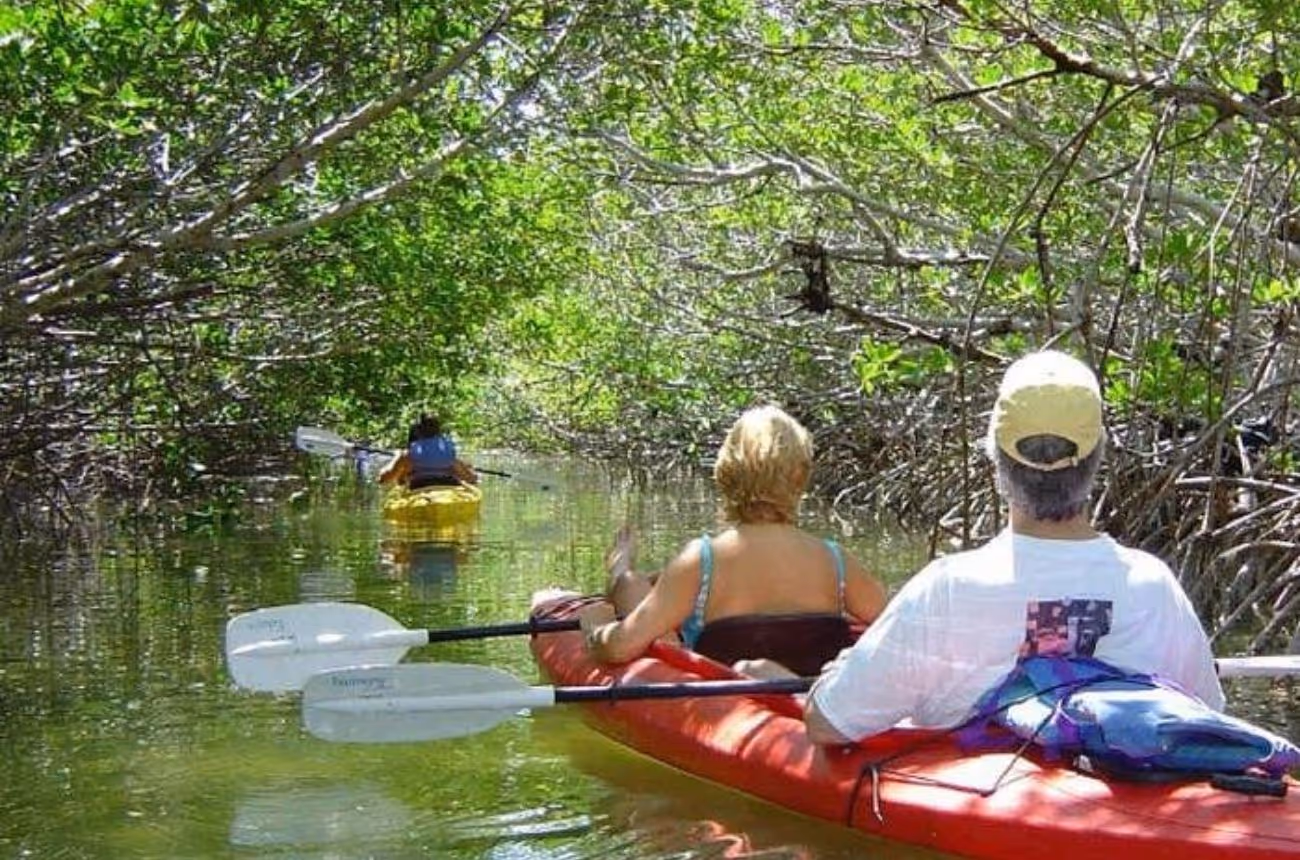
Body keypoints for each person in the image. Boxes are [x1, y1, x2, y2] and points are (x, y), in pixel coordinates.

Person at [804, 350, 1226, 745]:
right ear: (1098, 455)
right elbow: (1208, 714)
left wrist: (837, 675)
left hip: (976, 811)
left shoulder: (948, 588)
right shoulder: (1154, 586)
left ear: (995, 455)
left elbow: (828, 724)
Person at [578, 404, 888, 676]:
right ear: (801, 477)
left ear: (725, 473)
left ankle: (621, 570)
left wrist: (593, 628)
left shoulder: (701, 559)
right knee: (633, 584)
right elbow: (902, 629)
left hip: (731, 698)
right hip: (807, 694)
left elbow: (619, 648)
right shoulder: (836, 560)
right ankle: (624, 572)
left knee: (629, 586)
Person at [378, 413, 478, 489]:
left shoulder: (408, 454)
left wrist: (397, 457)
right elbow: (471, 478)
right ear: (439, 431)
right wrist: (470, 471)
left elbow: (383, 479)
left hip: (419, 487)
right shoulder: (448, 451)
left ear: (418, 431)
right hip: (447, 485)